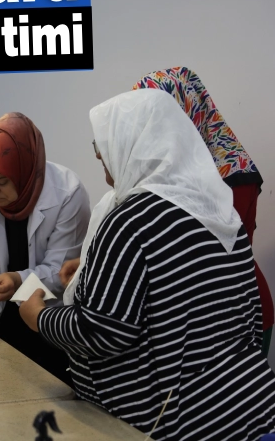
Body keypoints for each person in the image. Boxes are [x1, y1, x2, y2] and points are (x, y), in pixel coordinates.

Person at [22, 89, 275, 441]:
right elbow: (243, 312)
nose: (101, 159)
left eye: (103, 146)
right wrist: (96, 269)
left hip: (180, 423)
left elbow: (104, 331)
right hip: (248, 408)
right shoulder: (216, 208)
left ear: (134, 145)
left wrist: (40, 316)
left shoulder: (132, 219)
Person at [0, 112, 90, 387]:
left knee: (48, 391)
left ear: (24, 171)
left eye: (1, 182)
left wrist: (18, 279)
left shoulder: (67, 193)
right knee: (1, 385)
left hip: (47, 314)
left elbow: (61, 271)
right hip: (3, 313)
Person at [132, 66, 273, 354]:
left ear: (182, 113)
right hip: (208, 315)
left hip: (236, 314)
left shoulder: (231, 174)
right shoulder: (175, 167)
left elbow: (203, 259)